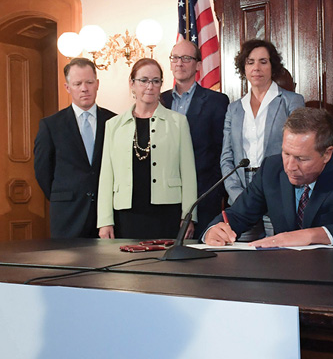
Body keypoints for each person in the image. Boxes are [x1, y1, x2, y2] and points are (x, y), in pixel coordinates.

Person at [204, 108, 333, 247]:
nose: (290, 166)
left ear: (327, 154)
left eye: (302, 159)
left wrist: (311, 235)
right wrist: (213, 231)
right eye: (286, 153)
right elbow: (239, 215)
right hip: (286, 278)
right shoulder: (272, 169)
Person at [97, 58, 197, 239]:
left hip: (167, 213)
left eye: (156, 81)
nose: (150, 86)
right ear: (132, 83)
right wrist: (105, 221)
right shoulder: (113, 125)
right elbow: (106, 176)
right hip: (126, 215)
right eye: (143, 80)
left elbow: (189, 174)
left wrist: (189, 216)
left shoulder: (178, 122)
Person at [34, 58, 116, 238]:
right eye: (77, 84)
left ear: (97, 84)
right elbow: (42, 172)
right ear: (67, 87)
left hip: (107, 217)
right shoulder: (51, 125)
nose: (84, 88)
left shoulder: (114, 121)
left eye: (89, 82)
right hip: (67, 215)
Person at [221, 39, 305, 207]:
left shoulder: (291, 101)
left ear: (272, 66)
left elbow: (300, 149)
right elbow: (226, 157)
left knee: (277, 235)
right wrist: (237, 194)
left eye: (263, 62)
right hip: (242, 192)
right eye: (250, 62)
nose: (256, 68)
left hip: (279, 189)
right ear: (243, 68)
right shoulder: (234, 108)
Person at [160, 40, 230, 238]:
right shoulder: (160, 101)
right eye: (175, 58)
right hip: (167, 197)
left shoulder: (217, 102)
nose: (179, 63)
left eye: (186, 58)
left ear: (198, 65)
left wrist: (217, 193)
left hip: (204, 196)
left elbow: (221, 150)